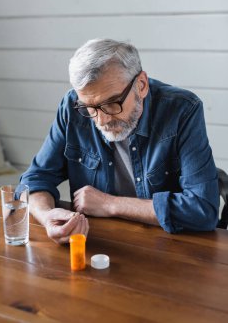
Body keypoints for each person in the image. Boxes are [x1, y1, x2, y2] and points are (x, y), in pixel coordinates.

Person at [21, 38, 219, 244]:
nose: (101, 120)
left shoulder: (183, 110)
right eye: (90, 107)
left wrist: (110, 204)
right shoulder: (72, 107)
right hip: (98, 243)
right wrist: (46, 216)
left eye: (112, 103)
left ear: (141, 85)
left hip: (170, 246)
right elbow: (35, 179)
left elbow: (203, 209)